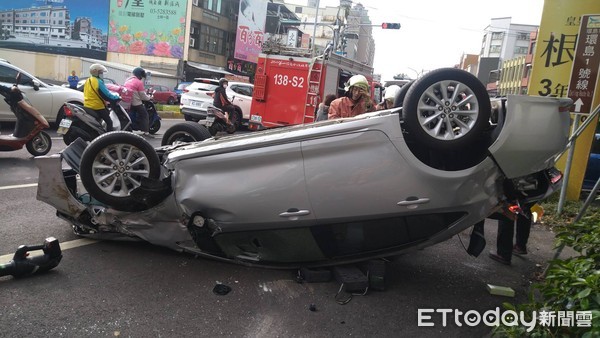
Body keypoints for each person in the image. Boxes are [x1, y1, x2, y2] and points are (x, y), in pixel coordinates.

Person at [83, 64, 121, 132]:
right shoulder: (98, 81)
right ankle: (108, 139)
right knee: (109, 122)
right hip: (97, 106)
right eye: (101, 72)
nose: (102, 74)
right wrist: (117, 97)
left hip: (87, 105)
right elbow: (107, 95)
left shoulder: (88, 80)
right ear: (96, 72)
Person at [124, 67, 153, 137]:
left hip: (127, 102)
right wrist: (149, 98)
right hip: (136, 103)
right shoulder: (139, 82)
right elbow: (143, 96)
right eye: (141, 76)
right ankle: (146, 132)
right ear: (139, 75)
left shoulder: (128, 80)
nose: (142, 78)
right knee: (145, 115)